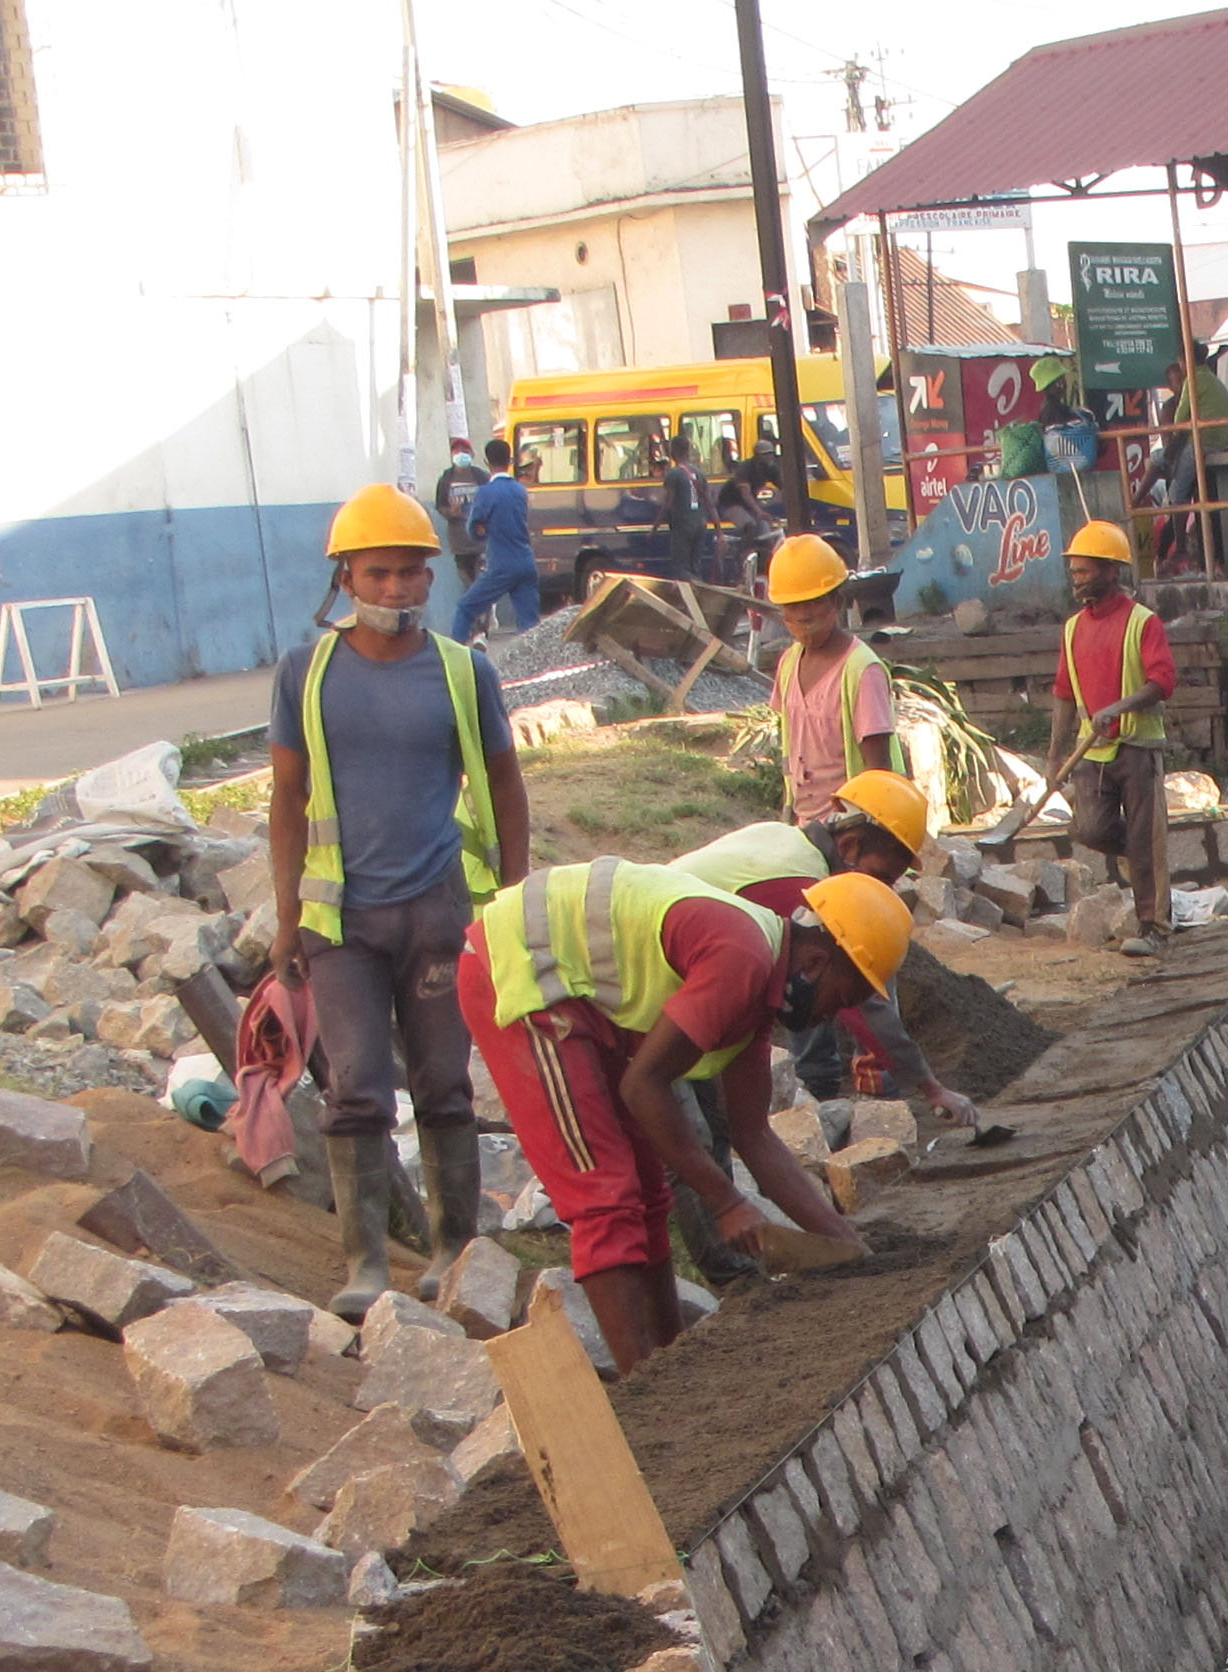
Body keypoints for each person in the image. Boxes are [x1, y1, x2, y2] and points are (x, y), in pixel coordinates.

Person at [269, 483, 534, 1317]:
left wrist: (513, 896)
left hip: (438, 912)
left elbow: (503, 780)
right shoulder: (304, 675)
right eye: (376, 574)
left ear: (431, 579)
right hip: (340, 921)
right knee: (355, 1090)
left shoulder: (463, 673)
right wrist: (284, 920)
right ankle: (365, 1264)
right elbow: (285, 797)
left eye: (409, 574)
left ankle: (453, 1247)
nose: (393, 591)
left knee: (445, 1082)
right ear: (344, 579)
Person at [458, 858, 882, 1372]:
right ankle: (645, 1391)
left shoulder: (760, 988)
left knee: (650, 1191)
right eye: (845, 996)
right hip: (524, 971)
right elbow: (643, 1087)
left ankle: (668, 1363)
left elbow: (755, 1137)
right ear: (815, 964)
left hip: (585, 1000)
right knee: (604, 1193)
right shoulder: (743, 958)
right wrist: (725, 1201)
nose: (832, 1015)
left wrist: (846, 1248)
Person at [670, 769, 987, 1131]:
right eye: (879, 878)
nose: (876, 894)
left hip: (680, 976)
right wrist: (931, 1088)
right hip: (647, 982)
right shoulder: (799, 885)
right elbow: (858, 998)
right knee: (698, 1128)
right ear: (850, 845)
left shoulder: (785, 841)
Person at [1050, 518, 1175, 955]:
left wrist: (1119, 708)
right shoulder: (1071, 629)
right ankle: (1145, 858)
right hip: (1094, 752)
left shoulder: (1143, 623)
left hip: (1138, 747)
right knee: (1090, 828)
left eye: (1085, 571)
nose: (1077, 579)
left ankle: (1154, 928)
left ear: (1111, 571)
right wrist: (1052, 758)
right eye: (1075, 572)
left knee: (1145, 837)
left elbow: (1161, 683)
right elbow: (1064, 695)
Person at [761, 533, 897, 828]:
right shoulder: (788, 664)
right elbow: (794, 746)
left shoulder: (861, 671)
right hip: (804, 824)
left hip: (851, 828)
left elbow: (879, 770)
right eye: (792, 606)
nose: (801, 616)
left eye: (811, 603)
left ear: (836, 601)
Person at [451, 437, 540, 637]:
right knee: (530, 624)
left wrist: (481, 529)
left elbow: (474, 529)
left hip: (501, 563)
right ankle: (535, 664)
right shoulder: (520, 490)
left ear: (486, 463)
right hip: (526, 561)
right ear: (510, 461)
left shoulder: (486, 493)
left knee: (466, 608)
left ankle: (455, 655)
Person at [431, 437, 486, 593]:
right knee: (468, 585)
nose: (461, 454)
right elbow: (440, 506)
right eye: (457, 451)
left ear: (472, 454)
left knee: (483, 584)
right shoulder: (446, 479)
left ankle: (486, 614)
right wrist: (450, 512)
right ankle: (476, 615)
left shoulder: (481, 477)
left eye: (465, 451)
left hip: (481, 542)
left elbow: (491, 502)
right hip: (460, 544)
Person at [658, 432, 709, 583]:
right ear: (688, 451)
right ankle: (698, 595)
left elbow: (668, 503)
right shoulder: (699, 473)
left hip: (683, 525)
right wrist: (718, 530)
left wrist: (655, 527)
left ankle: (692, 594)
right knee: (695, 565)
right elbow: (709, 502)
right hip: (700, 523)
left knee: (681, 568)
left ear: (672, 452)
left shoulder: (673, 474)